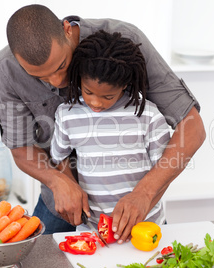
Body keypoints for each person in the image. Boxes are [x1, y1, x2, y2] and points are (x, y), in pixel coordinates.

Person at [0, 4, 205, 243]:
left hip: (136, 210)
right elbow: (20, 148)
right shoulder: (7, 68)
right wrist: (58, 180)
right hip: (58, 203)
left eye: (62, 65)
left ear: (66, 29)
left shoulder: (126, 42)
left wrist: (144, 194)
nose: (58, 80)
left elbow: (192, 127)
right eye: (40, 77)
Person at [50, 30, 171, 227]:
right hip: (92, 228)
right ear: (79, 77)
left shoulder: (147, 115)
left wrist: (143, 203)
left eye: (108, 96)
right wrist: (70, 185)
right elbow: (59, 157)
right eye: (88, 92)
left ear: (124, 85)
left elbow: (164, 171)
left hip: (146, 224)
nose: (96, 103)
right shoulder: (68, 114)